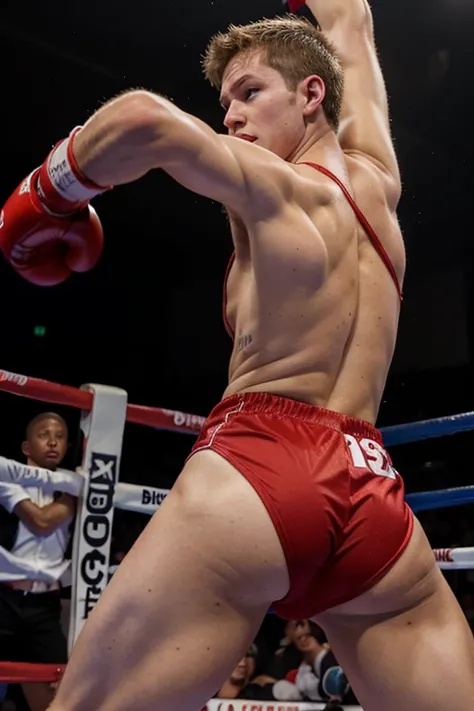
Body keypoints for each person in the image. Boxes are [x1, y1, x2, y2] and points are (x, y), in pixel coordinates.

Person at [1, 2, 474, 710]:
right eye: (225, 104)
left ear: (312, 95)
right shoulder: (380, 181)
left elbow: (141, 120)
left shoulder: (276, 187)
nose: (232, 118)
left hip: (257, 466)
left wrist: (51, 190)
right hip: (370, 491)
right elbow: (350, 19)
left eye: (250, 93)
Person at [0, 413, 75, 711]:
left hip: (45, 604)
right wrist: (73, 497)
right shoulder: (7, 475)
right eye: (44, 434)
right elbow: (41, 521)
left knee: (56, 696)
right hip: (3, 598)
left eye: (60, 436)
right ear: (26, 447)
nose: (53, 441)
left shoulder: (75, 485)